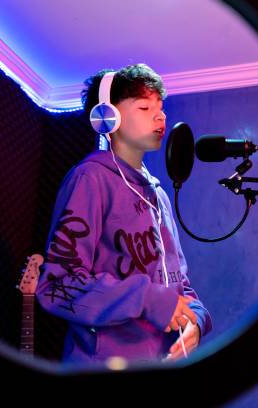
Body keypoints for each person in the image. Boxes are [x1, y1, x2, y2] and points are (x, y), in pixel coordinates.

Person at [35, 64, 212, 365]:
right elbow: (57, 286)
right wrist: (148, 299)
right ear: (108, 117)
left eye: (161, 107)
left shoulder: (159, 197)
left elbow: (179, 285)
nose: (161, 115)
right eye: (145, 106)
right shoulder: (90, 179)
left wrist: (195, 319)